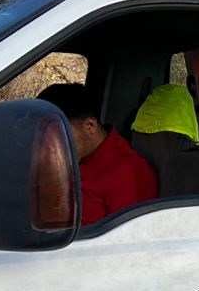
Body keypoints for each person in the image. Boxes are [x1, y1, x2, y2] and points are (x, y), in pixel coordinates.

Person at [37, 84, 159, 225]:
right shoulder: (80, 157)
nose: (52, 145)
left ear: (90, 127)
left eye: (59, 135)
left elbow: (127, 238)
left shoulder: (126, 172)